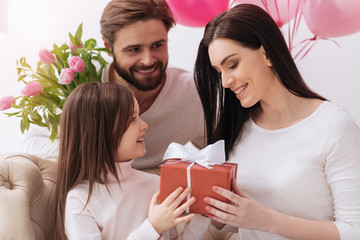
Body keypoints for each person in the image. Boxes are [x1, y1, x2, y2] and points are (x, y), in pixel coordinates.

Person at [194, 4, 360, 240]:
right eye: (218, 71)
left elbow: (355, 231)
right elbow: (231, 229)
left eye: (232, 65)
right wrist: (219, 223)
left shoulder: (333, 126)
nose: (225, 81)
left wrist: (266, 220)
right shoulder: (236, 129)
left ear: (267, 53)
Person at [21, 0, 205, 172]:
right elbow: (33, 140)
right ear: (108, 47)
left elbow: (225, 147)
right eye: (134, 49)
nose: (148, 60)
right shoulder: (81, 85)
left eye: (157, 45)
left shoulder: (194, 93)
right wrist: (93, 162)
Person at [54, 82, 210, 240]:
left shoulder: (156, 185)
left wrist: (202, 217)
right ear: (100, 132)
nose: (144, 125)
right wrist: (153, 227)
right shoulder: (80, 199)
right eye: (132, 119)